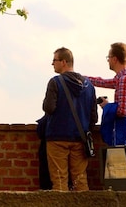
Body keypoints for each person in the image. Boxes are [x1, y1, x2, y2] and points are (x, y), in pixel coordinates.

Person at [41, 47, 98, 192]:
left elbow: (49, 108)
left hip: (57, 137)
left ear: (64, 62)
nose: (52, 63)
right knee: (80, 180)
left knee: (59, 180)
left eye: (54, 60)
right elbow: (94, 117)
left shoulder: (55, 82)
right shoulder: (89, 86)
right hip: (80, 139)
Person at [89, 42, 126, 146]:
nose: (108, 60)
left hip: (124, 135)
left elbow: (123, 111)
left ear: (115, 59)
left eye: (108, 57)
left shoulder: (124, 80)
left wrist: (107, 106)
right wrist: (83, 79)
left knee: (117, 163)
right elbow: (103, 82)